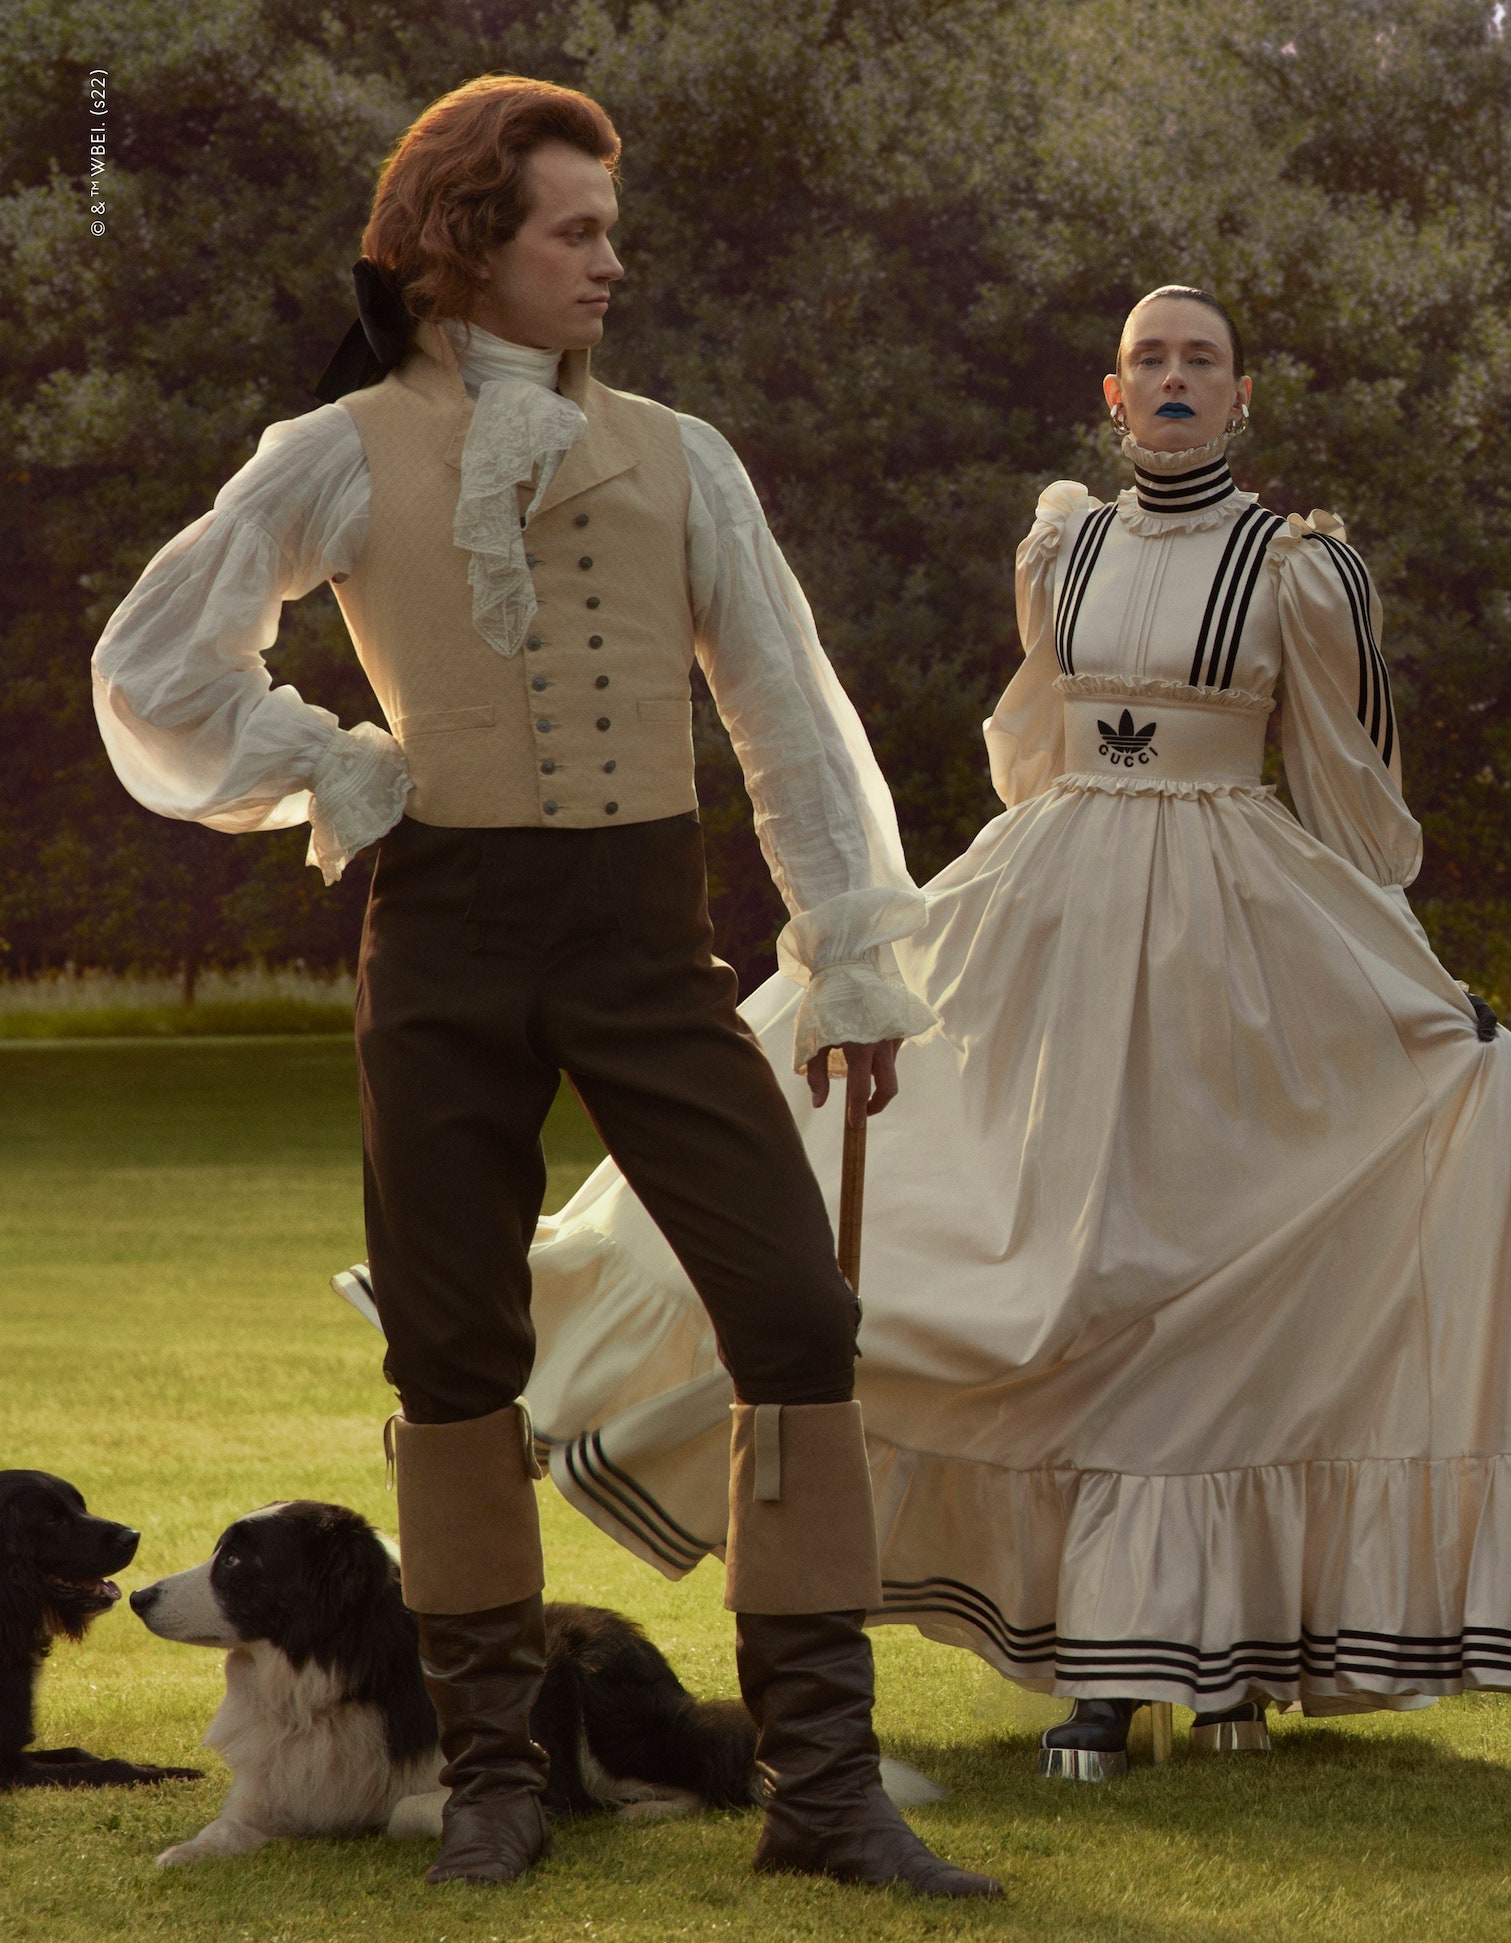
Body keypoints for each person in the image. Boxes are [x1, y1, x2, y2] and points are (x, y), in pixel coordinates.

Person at [88, 78, 993, 1894]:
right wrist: (329, 760)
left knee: (796, 1313)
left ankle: (823, 1788)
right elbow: (155, 661)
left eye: (608, 228)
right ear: (466, 245)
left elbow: (789, 713)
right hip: (444, 932)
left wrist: (852, 960)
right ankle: (490, 1773)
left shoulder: (683, 453)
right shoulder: (338, 448)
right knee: (452, 1354)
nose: (608, 261)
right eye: (573, 230)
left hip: (646, 936)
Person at [489, 283, 1511, 1776]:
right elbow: (1034, 746)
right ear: (1112, 392)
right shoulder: (1060, 545)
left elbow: (1349, 797)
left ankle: (1212, 1655)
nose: (1176, 377)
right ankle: (1102, 1655)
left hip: (1235, 937)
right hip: (1058, 909)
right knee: (1053, 1263)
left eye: (1203, 359)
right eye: (1151, 358)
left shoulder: (1301, 569)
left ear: (1244, 395)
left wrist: (1415, 981)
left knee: (1191, 1279)